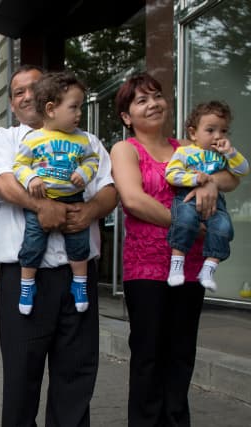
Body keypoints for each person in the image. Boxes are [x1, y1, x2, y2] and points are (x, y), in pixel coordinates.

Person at [0, 64, 117, 426]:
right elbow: (4, 183)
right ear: (11, 103)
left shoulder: (87, 141)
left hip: (78, 278)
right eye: (18, 91)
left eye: (33, 87)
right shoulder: (4, 140)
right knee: (21, 379)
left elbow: (109, 190)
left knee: (76, 375)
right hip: (25, 279)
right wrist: (43, 206)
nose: (26, 95)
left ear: (51, 97)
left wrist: (88, 212)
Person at [110, 73, 240, 426]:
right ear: (127, 116)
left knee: (181, 355)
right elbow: (134, 200)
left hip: (192, 266)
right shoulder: (125, 149)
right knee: (149, 356)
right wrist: (188, 224)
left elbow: (231, 175)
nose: (152, 104)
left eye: (156, 96)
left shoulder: (187, 146)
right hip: (147, 268)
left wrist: (211, 181)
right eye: (141, 100)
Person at [13, 71, 99, 315]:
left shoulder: (83, 139)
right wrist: (31, 178)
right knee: (32, 242)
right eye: (74, 107)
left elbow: (93, 161)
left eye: (80, 107)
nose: (79, 113)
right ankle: (27, 285)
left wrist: (84, 172)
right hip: (42, 198)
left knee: (79, 241)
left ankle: (79, 284)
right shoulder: (33, 139)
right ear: (51, 109)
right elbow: (19, 166)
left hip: (73, 198)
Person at [165, 101, 249, 291]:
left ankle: (209, 268)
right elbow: (171, 174)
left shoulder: (223, 156)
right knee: (184, 220)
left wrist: (230, 152)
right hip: (187, 197)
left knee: (224, 227)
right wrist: (194, 178)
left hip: (215, 202)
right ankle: (176, 265)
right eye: (210, 130)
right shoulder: (185, 152)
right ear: (193, 133)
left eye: (224, 131)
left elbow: (243, 171)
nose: (218, 136)